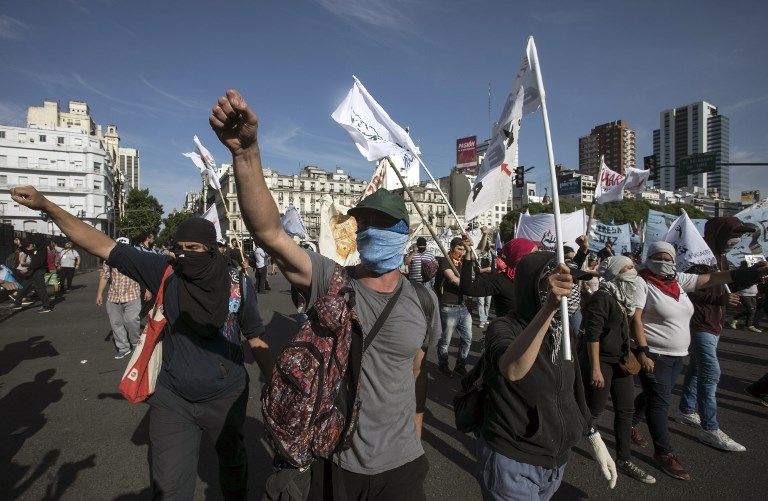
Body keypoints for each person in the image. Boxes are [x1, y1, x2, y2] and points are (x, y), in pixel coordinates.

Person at [209, 89, 440, 500]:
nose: (369, 232)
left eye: (381, 223)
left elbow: (415, 372)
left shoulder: (424, 301)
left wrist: (416, 438)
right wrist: (247, 155)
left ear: (404, 235)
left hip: (403, 465)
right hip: (338, 458)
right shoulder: (332, 281)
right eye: (362, 223)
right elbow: (270, 233)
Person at [10, 185, 273, 500]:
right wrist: (46, 205)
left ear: (212, 249)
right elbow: (101, 244)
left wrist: (276, 384)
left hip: (227, 396)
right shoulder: (166, 271)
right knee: (169, 486)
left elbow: (255, 336)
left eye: (195, 247)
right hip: (173, 399)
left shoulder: (237, 282)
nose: (186, 254)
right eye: (180, 247)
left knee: (232, 470)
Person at [479, 251, 616, 500]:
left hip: (555, 462)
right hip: (514, 459)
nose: (570, 290)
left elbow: (573, 390)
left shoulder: (563, 332)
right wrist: (548, 310)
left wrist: (594, 437)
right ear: (533, 286)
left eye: (573, 282)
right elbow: (512, 369)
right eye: (560, 283)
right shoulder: (504, 327)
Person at [630, 241, 767, 480]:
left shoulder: (678, 280)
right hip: (655, 355)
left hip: (678, 353)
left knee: (656, 395)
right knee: (660, 403)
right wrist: (642, 351)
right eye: (658, 257)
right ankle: (664, 453)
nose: (663, 262)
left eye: (667, 258)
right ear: (649, 258)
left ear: (674, 260)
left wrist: (751, 272)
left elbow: (714, 279)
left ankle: (629, 422)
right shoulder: (641, 282)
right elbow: (636, 319)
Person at [676, 216, 758, 452]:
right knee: (711, 372)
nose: (737, 240)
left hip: (714, 322)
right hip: (700, 323)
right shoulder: (697, 257)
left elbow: (721, 285)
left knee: (696, 368)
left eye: (740, 235)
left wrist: (751, 276)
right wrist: (719, 298)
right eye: (734, 234)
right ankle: (709, 428)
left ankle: (686, 410)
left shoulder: (719, 257)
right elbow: (687, 288)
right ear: (720, 233)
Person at [580, 256, 656, 484]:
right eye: (628, 267)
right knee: (593, 410)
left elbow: (630, 327)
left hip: (621, 362)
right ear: (615, 272)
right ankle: (564, 441)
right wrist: (595, 369)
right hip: (601, 362)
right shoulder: (602, 298)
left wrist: (642, 352)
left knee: (626, 411)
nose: (633, 270)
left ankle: (624, 460)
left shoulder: (624, 297)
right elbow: (592, 336)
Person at [462, 238, 538, 327]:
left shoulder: (537, 278)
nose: (539, 256)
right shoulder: (501, 280)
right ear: (519, 256)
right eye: (535, 253)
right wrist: (467, 255)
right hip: (513, 336)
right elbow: (468, 289)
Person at [96, 237, 143, 359]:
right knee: (116, 324)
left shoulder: (135, 259)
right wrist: (99, 294)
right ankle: (123, 348)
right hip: (113, 296)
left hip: (132, 295)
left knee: (131, 321)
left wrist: (148, 290)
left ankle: (135, 343)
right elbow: (104, 276)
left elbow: (143, 274)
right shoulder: (108, 260)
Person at [436, 236, 473, 377]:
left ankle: (460, 365)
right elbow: (452, 278)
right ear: (452, 249)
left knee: (467, 339)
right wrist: (470, 287)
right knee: (445, 341)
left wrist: (484, 235)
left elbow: (480, 250)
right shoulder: (445, 260)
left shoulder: (463, 262)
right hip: (448, 307)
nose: (462, 252)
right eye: (459, 249)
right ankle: (443, 365)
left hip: (462, 307)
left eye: (463, 249)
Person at [12, 238, 53, 313]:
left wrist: (27, 269)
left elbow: (39, 263)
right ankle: (17, 304)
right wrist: (20, 245)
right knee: (24, 287)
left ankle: (46, 306)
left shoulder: (42, 250)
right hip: (33, 271)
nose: (33, 244)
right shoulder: (36, 249)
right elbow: (28, 252)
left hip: (38, 271)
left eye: (34, 242)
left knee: (40, 289)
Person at [730, 262, 762, 332]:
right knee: (751, 310)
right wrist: (756, 280)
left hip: (753, 294)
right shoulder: (742, 273)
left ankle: (736, 318)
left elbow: (756, 284)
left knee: (752, 310)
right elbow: (745, 283)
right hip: (744, 294)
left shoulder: (755, 272)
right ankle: (749, 325)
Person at [474, 229, 496, 329]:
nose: (487, 244)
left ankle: (485, 317)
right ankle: (482, 320)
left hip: (489, 282)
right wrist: (486, 269)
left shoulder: (492, 255)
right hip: (479, 282)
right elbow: (477, 270)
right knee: (480, 302)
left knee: (487, 303)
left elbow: (493, 269)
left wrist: (486, 270)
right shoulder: (477, 255)